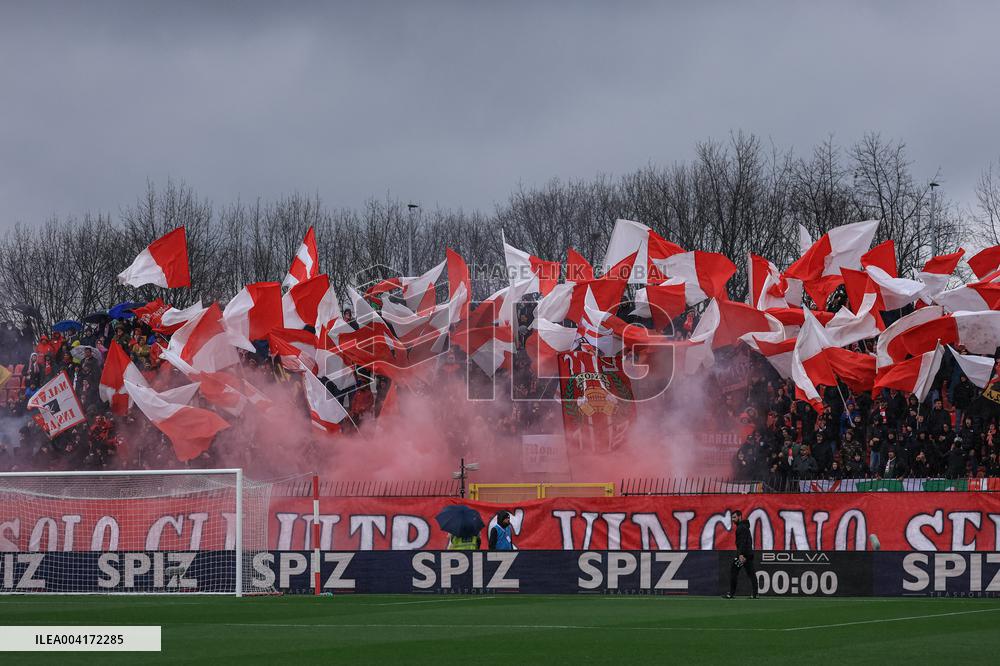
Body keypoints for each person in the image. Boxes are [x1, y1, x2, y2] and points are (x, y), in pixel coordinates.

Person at [725, 509, 758, 599]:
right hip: (748, 554)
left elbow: (742, 542)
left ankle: (731, 594)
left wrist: (740, 555)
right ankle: (755, 594)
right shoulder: (745, 527)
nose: (733, 519)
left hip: (743, 555)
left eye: (734, 517)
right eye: (732, 518)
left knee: (734, 572)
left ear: (740, 517)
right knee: (751, 574)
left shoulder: (741, 528)